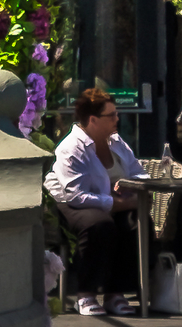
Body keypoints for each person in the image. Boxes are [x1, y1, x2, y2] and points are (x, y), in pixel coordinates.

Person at [45, 86, 147, 315]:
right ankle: (85, 294)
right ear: (93, 120)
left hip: (113, 200)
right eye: (111, 115)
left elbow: (138, 171)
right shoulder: (71, 149)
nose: (117, 119)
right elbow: (75, 195)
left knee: (134, 223)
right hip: (74, 202)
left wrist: (133, 186)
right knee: (99, 225)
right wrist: (117, 203)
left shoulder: (117, 142)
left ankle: (115, 294)